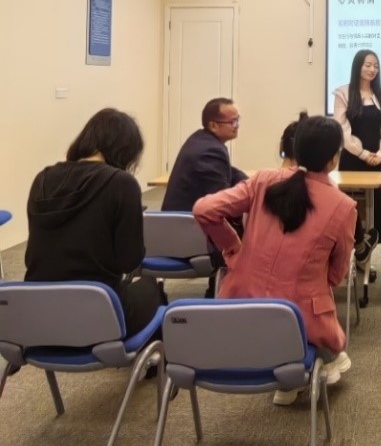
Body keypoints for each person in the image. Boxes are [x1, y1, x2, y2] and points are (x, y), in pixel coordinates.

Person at [193, 115, 357, 406]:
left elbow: (204, 209)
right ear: (334, 159)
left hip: (238, 309)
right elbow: (336, 274)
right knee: (329, 341)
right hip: (299, 321)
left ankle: (301, 371)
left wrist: (234, 248)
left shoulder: (263, 180)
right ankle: (304, 370)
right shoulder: (343, 206)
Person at [25, 108, 164, 335]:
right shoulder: (122, 183)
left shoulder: (43, 178)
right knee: (152, 287)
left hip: (38, 311)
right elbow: (129, 262)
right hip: (99, 310)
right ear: (126, 150)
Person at [333, 49, 381, 264]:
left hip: (378, 160)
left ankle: (367, 252)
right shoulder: (343, 93)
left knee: (379, 209)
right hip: (352, 158)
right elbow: (342, 129)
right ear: (357, 66)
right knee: (350, 207)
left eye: (375, 66)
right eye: (368, 65)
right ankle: (357, 250)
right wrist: (363, 153)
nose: (372, 69)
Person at [161, 97, 247, 211]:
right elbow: (223, 201)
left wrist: (249, 183)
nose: (237, 126)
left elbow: (229, 171)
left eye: (237, 120)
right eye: (233, 122)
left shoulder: (201, 139)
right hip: (186, 220)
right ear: (213, 126)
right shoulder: (210, 151)